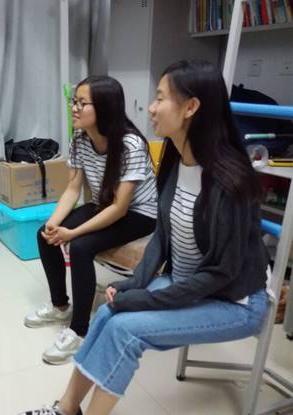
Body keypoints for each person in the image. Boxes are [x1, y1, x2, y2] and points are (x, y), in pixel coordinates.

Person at [20, 59, 270, 415]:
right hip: (186, 282)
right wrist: (132, 285)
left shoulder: (230, 181)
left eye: (160, 98)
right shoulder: (175, 161)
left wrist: (145, 298)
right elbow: (162, 240)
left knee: (124, 330)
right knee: (106, 315)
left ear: (190, 107)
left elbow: (221, 273)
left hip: (234, 300)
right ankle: (65, 410)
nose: (150, 108)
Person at [25, 76, 157, 364]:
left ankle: (79, 331)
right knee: (44, 235)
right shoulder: (80, 139)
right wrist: (54, 223)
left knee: (81, 247)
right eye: (74, 102)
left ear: (105, 108)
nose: (74, 108)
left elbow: (121, 208)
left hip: (140, 214)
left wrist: (73, 234)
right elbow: (73, 188)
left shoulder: (131, 145)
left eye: (81, 103)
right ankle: (60, 306)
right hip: (103, 205)